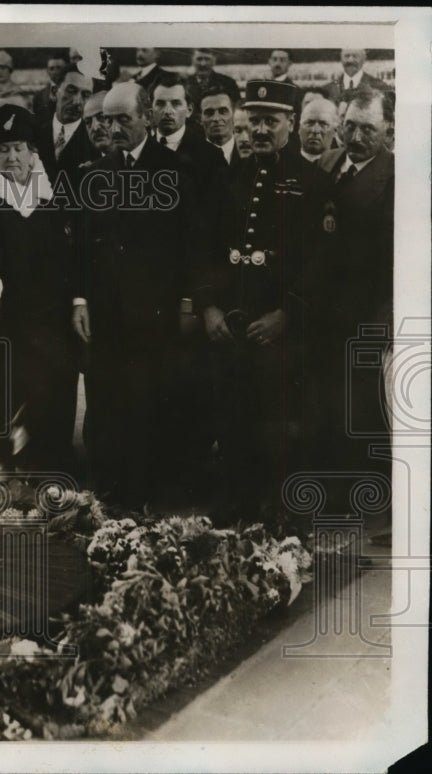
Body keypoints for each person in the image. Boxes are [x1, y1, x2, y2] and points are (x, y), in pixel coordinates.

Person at [195, 80, 329, 527]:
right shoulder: (230, 176)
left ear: (291, 123)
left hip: (282, 331)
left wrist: (286, 314)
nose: (260, 130)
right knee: (232, 416)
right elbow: (206, 248)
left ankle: (281, 508)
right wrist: (209, 307)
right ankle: (238, 502)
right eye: (254, 121)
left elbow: (321, 264)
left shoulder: (313, 182)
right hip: (233, 324)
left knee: (280, 424)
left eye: (270, 121)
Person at [72, 82, 202, 507]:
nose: (113, 128)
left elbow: (191, 244)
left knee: (149, 400)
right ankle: (108, 492)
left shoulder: (176, 168)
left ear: (147, 117)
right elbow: (82, 244)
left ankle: (147, 494)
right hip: (106, 313)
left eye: (123, 119)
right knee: (105, 400)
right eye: (106, 120)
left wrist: (187, 303)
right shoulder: (96, 172)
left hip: (155, 314)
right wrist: (80, 300)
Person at [0, 104, 78, 473]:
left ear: (32, 151)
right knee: (3, 393)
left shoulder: (57, 190)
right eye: (2, 149)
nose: (11, 157)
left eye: (18, 148)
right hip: (9, 315)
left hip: (54, 315)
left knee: (54, 387)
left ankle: (51, 471)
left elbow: (75, 251)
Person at [304, 88, 394, 514]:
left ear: (388, 130)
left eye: (368, 129)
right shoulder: (326, 163)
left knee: (357, 410)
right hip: (319, 313)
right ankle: (325, 495)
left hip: (364, 315)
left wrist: (381, 326)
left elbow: (396, 262)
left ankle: (361, 502)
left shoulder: (395, 177)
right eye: (351, 126)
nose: (356, 137)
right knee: (321, 403)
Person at [151, 72, 228, 195]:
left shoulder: (211, 156)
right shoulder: (139, 151)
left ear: (189, 110)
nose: (167, 111)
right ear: (151, 110)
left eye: (176, 103)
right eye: (160, 104)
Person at [35, 65, 96, 189]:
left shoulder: (95, 141)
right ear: (54, 92)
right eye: (71, 91)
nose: (77, 101)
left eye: (85, 95)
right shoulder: (34, 132)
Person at [324, 49, 390, 104]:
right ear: (341, 60)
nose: (350, 60)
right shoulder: (327, 90)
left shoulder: (380, 87)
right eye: (346, 56)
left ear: (363, 60)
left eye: (355, 56)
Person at [199, 85, 241, 167]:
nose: (216, 118)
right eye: (209, 113)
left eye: (223, 111)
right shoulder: (190, 157)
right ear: (200, 118)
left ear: (234, 114)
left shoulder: (249, 153)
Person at [298, 97, 339, 163]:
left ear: (335, 131)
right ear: (299, 128)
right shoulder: (283, 162)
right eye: (309, 123)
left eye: (323, 124)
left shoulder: (341, 166)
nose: (315, 130)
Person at [32, 53, 68, 117]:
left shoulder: (75, 92)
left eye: (59, 68)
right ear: (47, 71)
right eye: (51, 69)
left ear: (66, 70)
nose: (55, 72)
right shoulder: (38, 96)